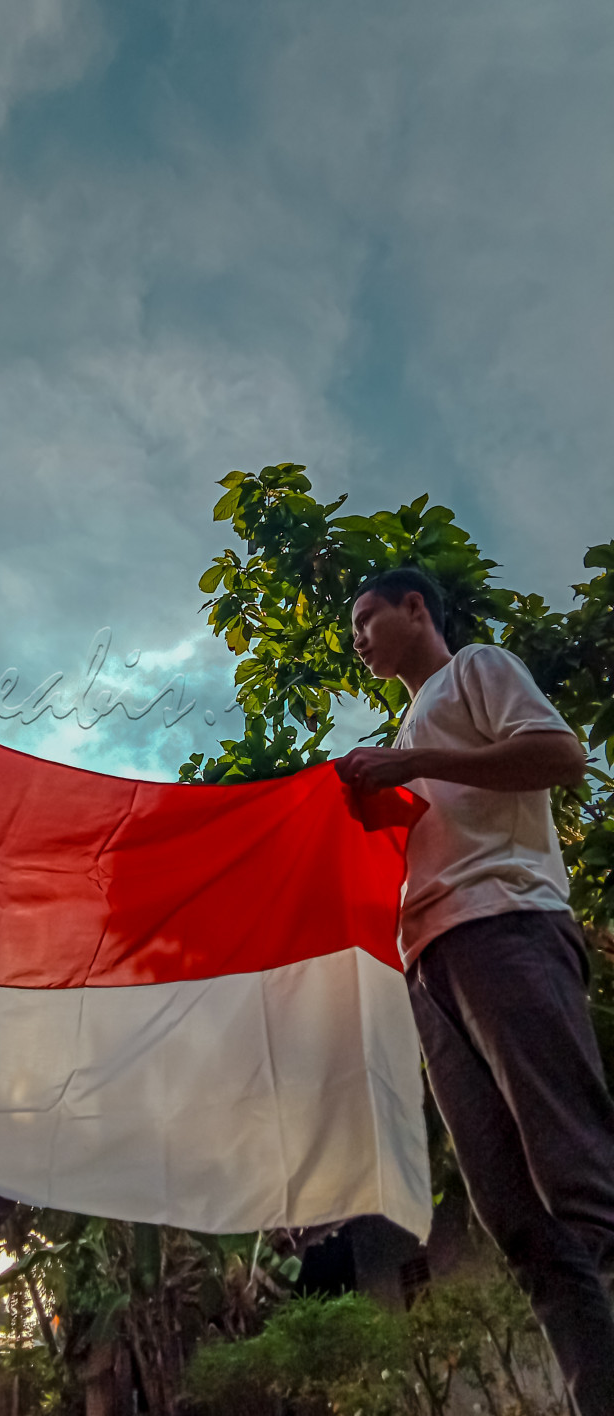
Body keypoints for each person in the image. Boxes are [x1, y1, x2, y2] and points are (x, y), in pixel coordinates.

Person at [338, 567, 614, 1416]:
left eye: (366, 618)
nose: (358, 638)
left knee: (580, 1173)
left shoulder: (476, 671)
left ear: (415, 608)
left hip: (506, 925)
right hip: (432, 965)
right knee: (519, 1222)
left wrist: (412, 760)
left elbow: (560, 757)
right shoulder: (406, 732)